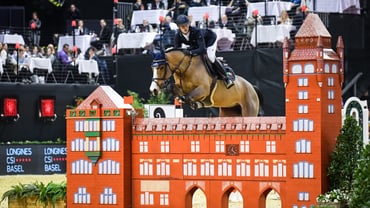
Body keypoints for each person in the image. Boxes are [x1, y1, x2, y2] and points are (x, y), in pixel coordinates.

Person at [174, 15, 234, 88]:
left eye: (186, 25)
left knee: (210, 57)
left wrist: (190, 52)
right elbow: (177, 50)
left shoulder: (196, 31)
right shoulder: (178, 36)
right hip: (197, 44)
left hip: (210, 40)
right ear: (179, 27)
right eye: (182, 27)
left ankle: (226, 78)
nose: (185, 28)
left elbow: (202, 49)